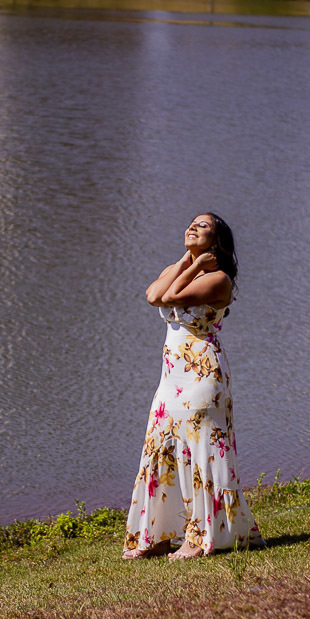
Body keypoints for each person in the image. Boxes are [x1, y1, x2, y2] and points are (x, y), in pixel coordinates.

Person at [123, 213, 265, 560]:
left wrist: (194, 265)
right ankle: (155, 538)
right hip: (171, 379)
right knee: (161, 449)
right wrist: (187, 261)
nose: (193, 227)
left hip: (203, 376)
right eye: (191, 223)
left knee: (202, 456)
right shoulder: (181, 266)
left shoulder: (219, 280)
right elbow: (153, 294)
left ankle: (199, 537)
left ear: (216, 244)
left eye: (203, 227)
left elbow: (171, 298)